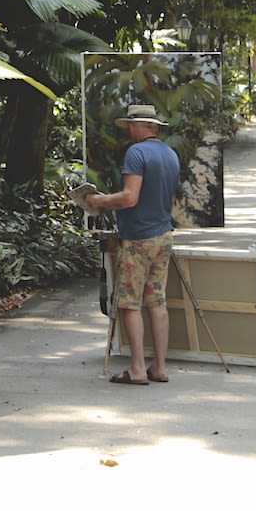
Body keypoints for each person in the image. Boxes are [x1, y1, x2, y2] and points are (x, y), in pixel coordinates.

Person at [83, 102, 182, 385]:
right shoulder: (170, 154)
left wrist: (97, 201)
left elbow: (129, 198)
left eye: (130, 124)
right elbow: (170, 200)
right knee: (157, 301)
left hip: (138, 238)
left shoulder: (136, 153)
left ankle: (137, 369)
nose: (128, 129)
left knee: (130, 303)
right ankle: (159, 367)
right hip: (163, 235)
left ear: (141, 127)